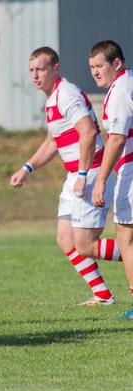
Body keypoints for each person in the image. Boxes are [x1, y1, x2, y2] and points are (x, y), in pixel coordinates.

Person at [10, 46, 121, 306]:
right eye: (32, 70)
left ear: (56, 69)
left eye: (41, 69)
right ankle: (103, 296)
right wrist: (27, 169)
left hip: (91, 173)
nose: (35, 75)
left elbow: (88, 133)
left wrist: (83, 175)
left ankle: (128, 250)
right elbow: (53, 142)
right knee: (65, 238)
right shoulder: (52, 99)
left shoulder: (66, 94)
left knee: (86, 244)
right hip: (75, 176)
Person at [88, 40, 133, 317]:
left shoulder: (119, 91)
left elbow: (116, 140)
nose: (95, 72)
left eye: (99, 65)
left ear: (116, 63)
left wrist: (102, 179)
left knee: (126, 237)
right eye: (91, 67)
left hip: (130, 171)